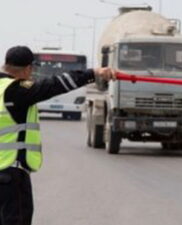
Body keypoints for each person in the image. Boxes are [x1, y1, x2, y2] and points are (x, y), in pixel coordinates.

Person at [0, 46, 116, 225]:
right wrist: (93, 73)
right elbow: (55, 84)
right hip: (10, 174)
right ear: (27, 69)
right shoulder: (16, 90)